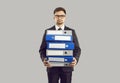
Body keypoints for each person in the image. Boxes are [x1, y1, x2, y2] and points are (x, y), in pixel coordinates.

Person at [39, 7, 81, 83]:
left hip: (67, 68)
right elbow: (42, 49)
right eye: (57, 16)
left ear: (65, 17)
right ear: (54, 17)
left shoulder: (71, 31)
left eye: (62, 16)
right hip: (52, 67)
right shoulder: (48, 32)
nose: (60, 18)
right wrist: (44, 59)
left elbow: (77, 49)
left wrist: (76, 59)